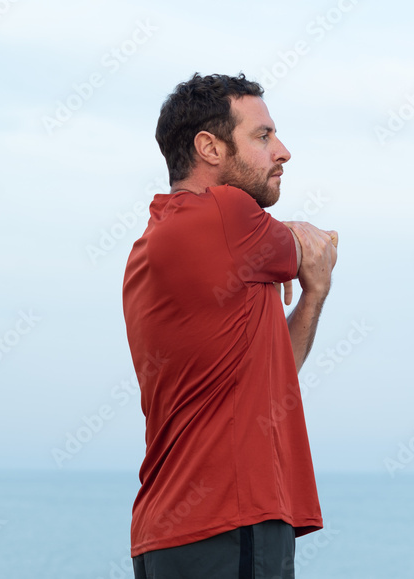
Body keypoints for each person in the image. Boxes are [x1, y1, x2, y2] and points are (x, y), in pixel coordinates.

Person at [122, 72, 338, 579]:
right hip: (229, 520)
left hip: (171, 535)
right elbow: (318, 246)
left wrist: (313, 296)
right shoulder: (228, 213)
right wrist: (302, 237)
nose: (282, 152)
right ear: (209, 148)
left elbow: (273, 374)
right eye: (262, 136)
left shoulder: (164, 244)